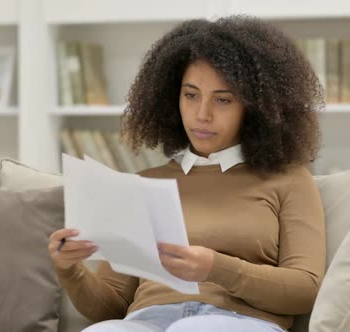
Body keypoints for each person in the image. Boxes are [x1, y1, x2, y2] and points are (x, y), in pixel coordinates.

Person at [48, 15, 326, 332]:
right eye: (190, 95)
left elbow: (305, 290)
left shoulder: (289, 180)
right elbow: (110, 306)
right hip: (148, 320)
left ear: (256, 107)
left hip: (239, 321)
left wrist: (216, 267)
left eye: (222, 100)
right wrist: (70, 270)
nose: (201, 114)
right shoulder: (145, 183)